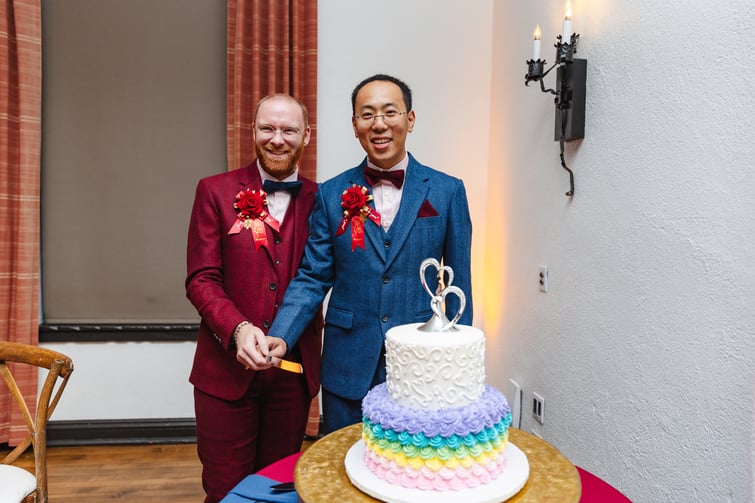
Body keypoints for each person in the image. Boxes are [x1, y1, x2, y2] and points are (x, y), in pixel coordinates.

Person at [241, 74, 473, 435]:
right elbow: (313, 275)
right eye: (367, 115)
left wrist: (460, 366)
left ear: (409, 120)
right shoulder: (332, 193)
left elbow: (461, 286)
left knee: (412, 470)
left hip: (421, 365)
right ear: (354, 126)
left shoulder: (447, 191)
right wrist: (282, 335)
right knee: (343, 473)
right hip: (347, 365)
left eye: (389, 112)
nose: (379, 124)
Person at [185, 93, 322, 503]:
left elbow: (319, 277)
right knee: (227, 492)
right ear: (253, 132)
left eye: (289, 129)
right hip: (223, 377)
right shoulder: (214, 191)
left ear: (306, 136)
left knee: (278, 491)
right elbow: (201, 279)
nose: (277, 139)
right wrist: (239, 329)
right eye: (268, 128)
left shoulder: (325, 200)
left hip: (291, 377)